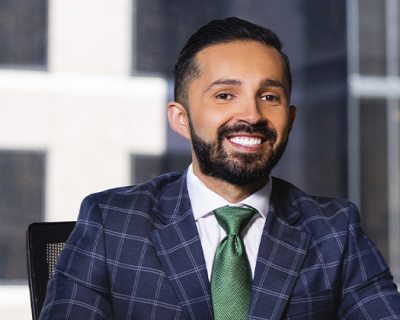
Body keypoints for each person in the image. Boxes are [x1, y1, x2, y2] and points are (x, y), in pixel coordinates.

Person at [40, 17, 400, 319]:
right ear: (181, 119)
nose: (251, 115)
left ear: (289, 119)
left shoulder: (335, 230)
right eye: (225, 95)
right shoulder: (112, 223)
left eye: (269, 97)